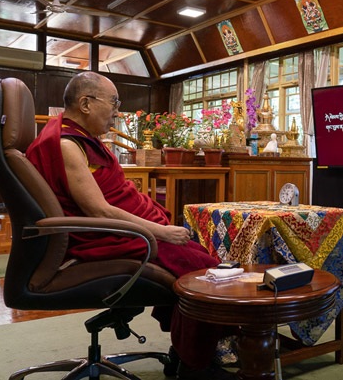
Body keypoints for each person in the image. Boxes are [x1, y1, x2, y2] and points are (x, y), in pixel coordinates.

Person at [26, 72, 235, 380]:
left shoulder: (80, 139)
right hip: (110, 238)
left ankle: (184, 352)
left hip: (126, 233)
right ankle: (195, 367)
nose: (116, 111)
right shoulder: (68, 144)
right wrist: (160, 231)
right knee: (205, 276)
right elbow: (97, 211)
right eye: (113, 102)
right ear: (85, 103)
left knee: (200, 259)